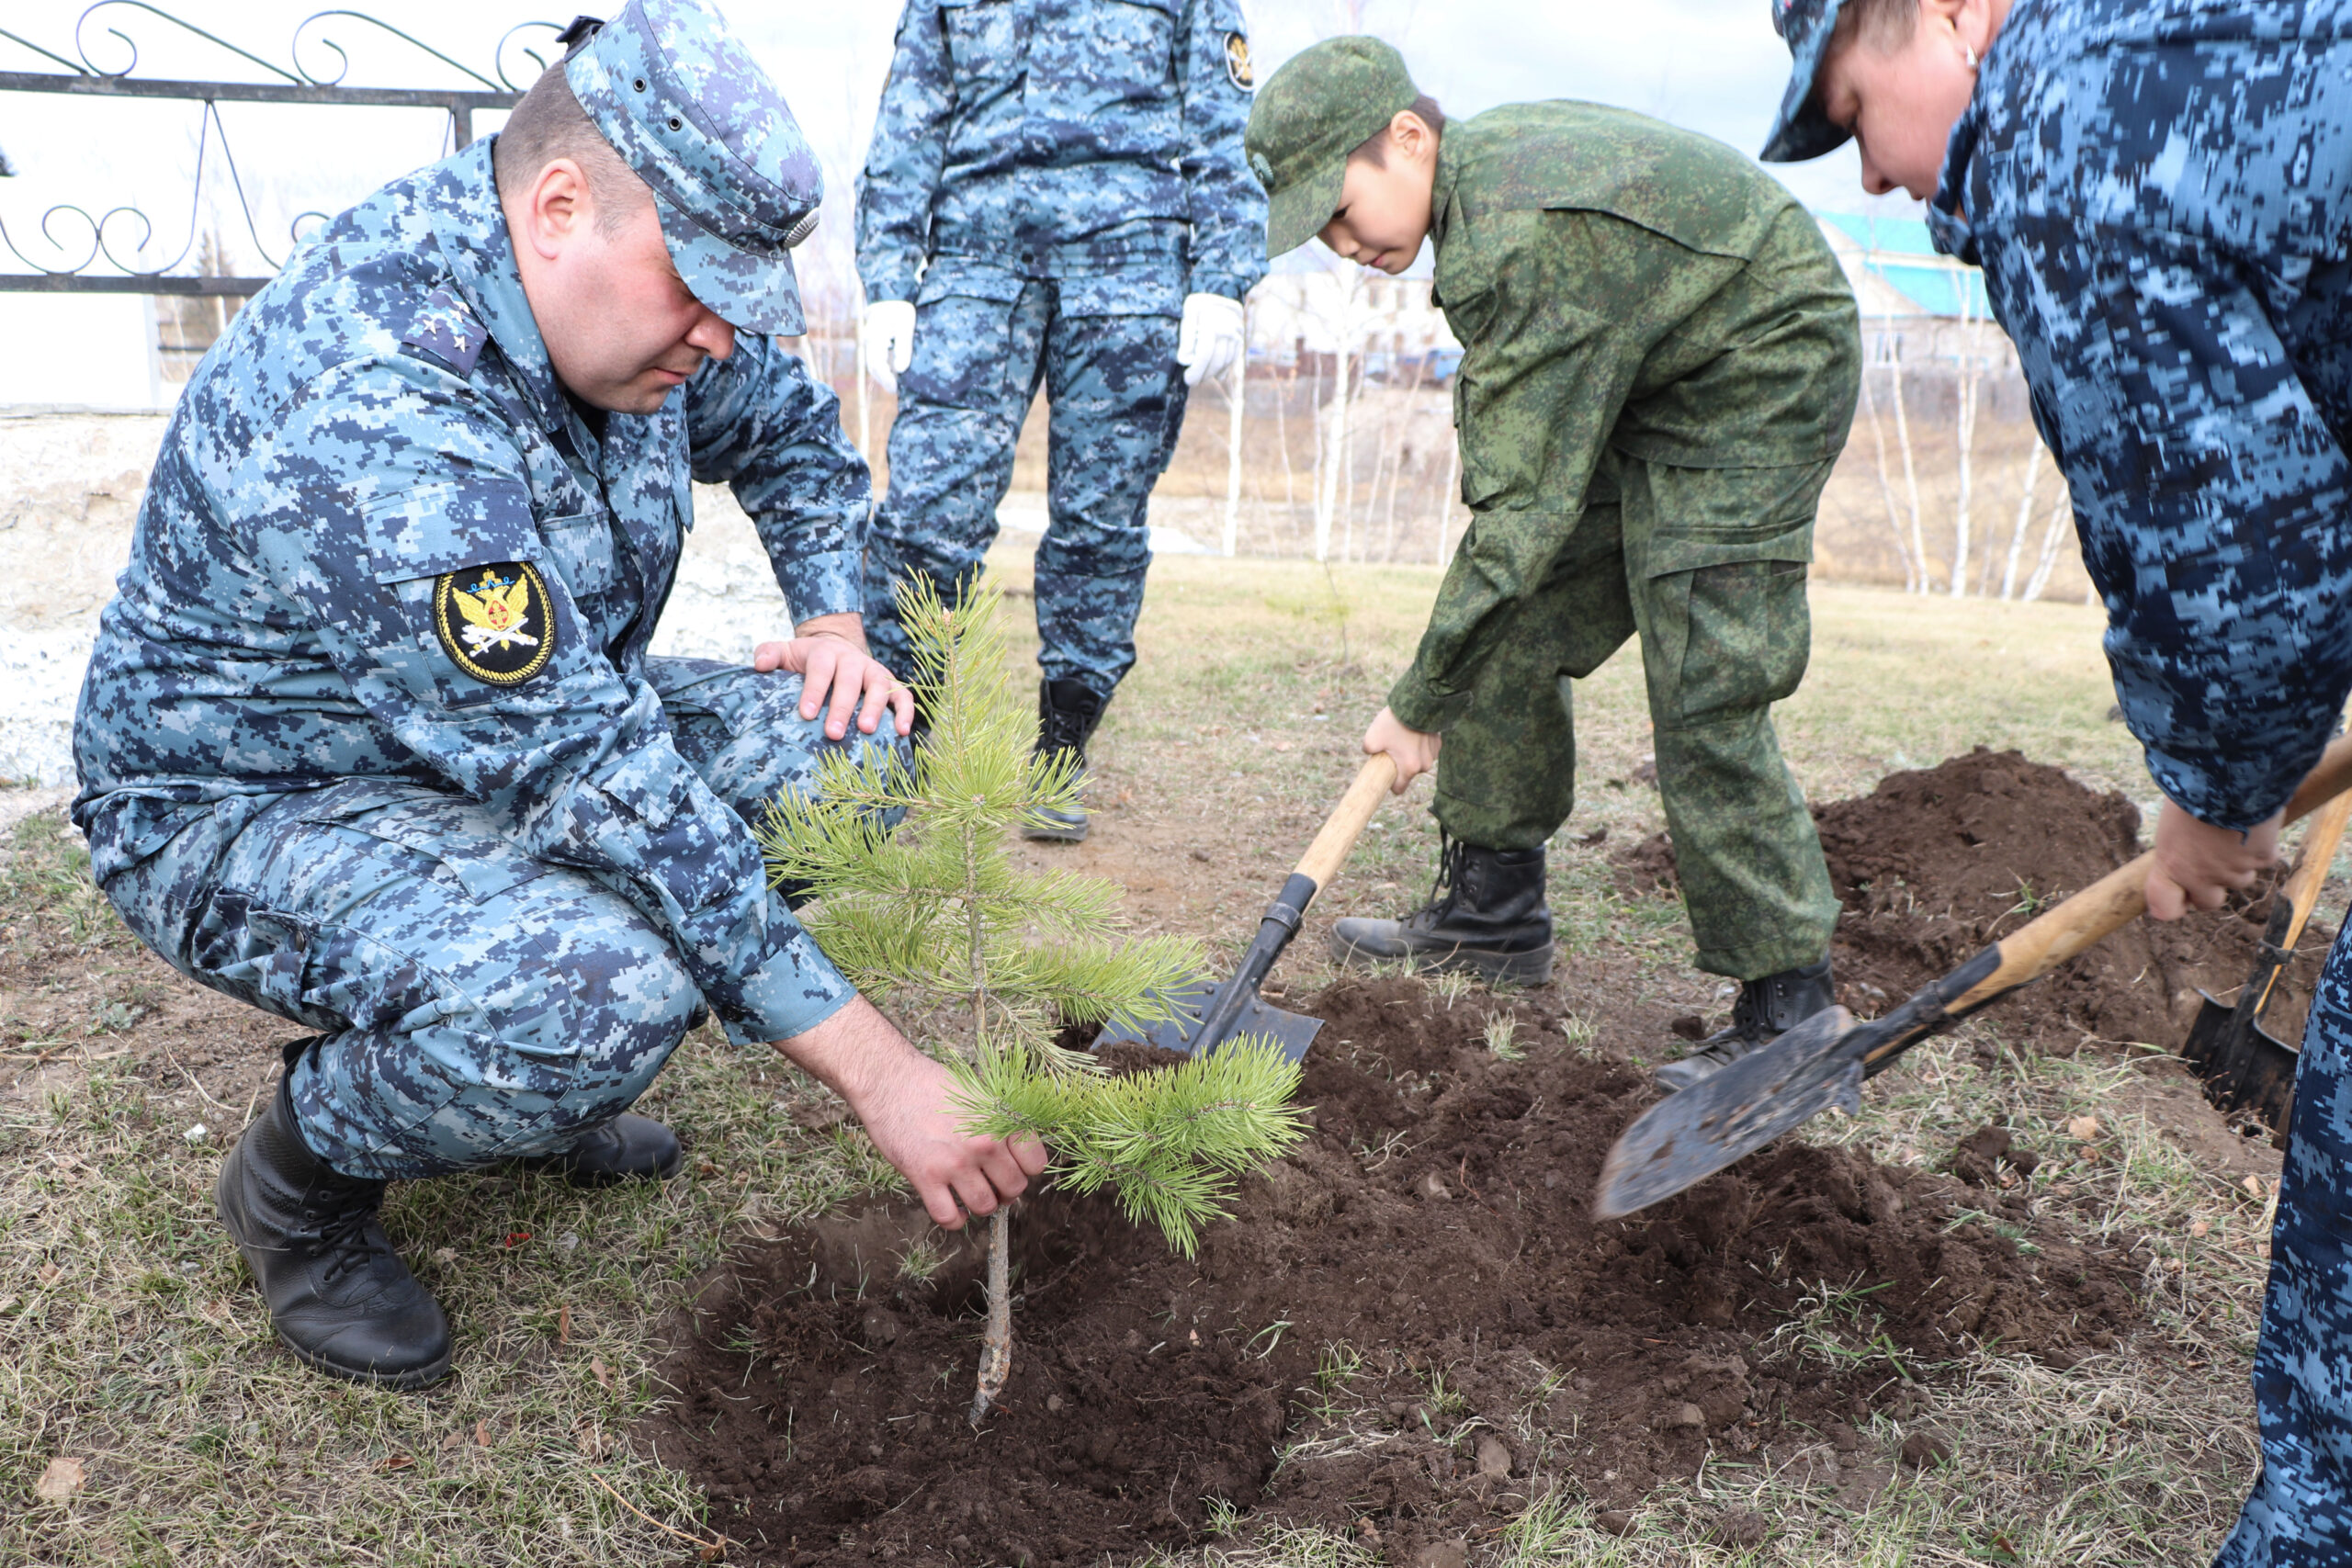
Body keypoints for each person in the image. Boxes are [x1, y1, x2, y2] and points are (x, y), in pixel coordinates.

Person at [70, 0, 1046, 1392]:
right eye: (700, 290)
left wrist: (834, 614)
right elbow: (592, 773)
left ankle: (532, 1068)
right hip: (251, 798)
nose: (719, 337)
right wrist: (886, 1074)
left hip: (505, 748)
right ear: (558, 202)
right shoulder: (381, 386)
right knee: (605, 987)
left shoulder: (637, 310)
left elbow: (790, 432)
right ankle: (296, 1181)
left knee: (856, 743)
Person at [1767, 0, 2352, 1557]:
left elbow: (2237, 554)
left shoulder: (2065, 134)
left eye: (1853, 109)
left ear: (1954, 16)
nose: (1875, 180)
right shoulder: (2200, 35)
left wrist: (2218, 792)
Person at [1244, 37, 1858, 1089]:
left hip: (1759, 370)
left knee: (1706, 678)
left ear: (1406, 137)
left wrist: (1416, 700)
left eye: (1340, 208)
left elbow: (1516, 522)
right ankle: (1491, 912)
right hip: (1661, 374)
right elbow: (1519, 544)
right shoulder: (1481, 200)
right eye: (1318, 231)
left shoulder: (1517, 236)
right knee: (1511, 628)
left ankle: (1790, 1009)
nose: (1339, 243)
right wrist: (1446, 675)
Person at [854, 0, 1267, 841]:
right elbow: (911, 110)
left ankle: (1061, 747)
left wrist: (1223, 273)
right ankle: (900, 742)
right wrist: (888, 270)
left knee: (1101, 525)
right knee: (929, 514)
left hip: (1134, 259)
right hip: (976, 258)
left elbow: (1224, 122)